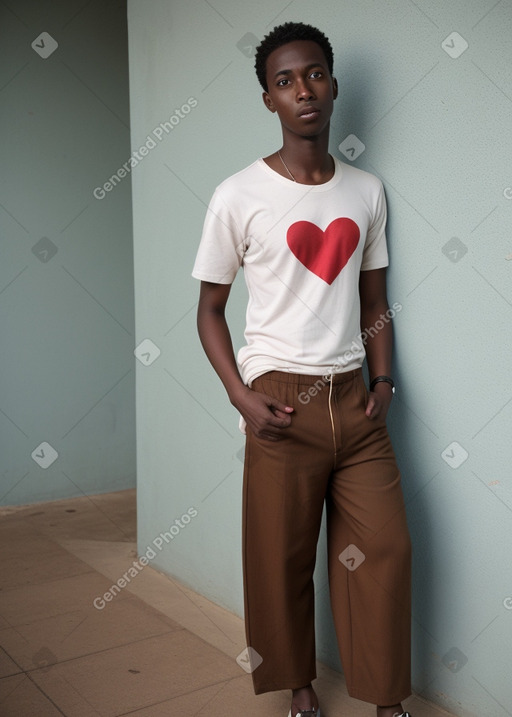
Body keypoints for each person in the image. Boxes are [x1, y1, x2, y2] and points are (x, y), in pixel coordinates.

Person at [192, 21, 412, 717]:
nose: (302, 90)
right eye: (284, 81)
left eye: (313, 74)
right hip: (279, 402)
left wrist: (382, 381)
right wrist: (240, 395)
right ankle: (300, 691)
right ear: (268, 100)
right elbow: (209, 309)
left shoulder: (367, 191)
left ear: (334, 84)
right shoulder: (237, 195)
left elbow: (374, 301)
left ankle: (383, 700)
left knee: (386, 549)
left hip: (356, 401)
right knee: (279, 558)